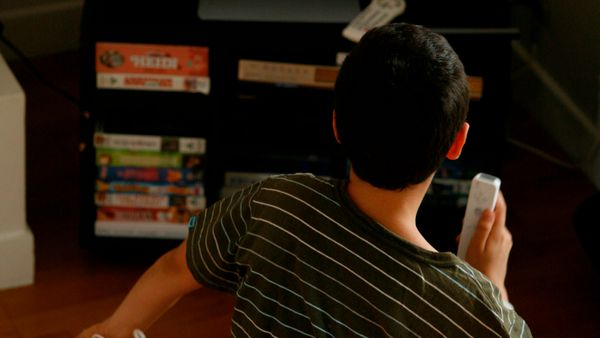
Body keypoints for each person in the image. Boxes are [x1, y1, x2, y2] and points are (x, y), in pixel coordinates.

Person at [78, 22, 531, 337]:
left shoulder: (272, 203)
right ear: (457, 143)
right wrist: (492, 287)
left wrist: (113, 329)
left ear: (336, 126)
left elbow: (177, 266)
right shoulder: (474, 312)